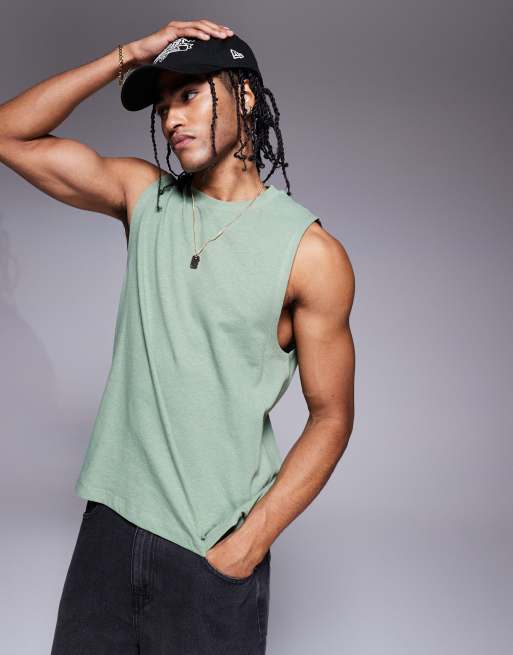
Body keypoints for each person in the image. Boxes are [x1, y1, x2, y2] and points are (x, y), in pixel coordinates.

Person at [0, 18, 355, 655]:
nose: (172, 119)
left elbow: (332, 416)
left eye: (189, 95)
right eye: (162, 106)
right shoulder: (145, 197)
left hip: (211, 546)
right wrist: (129, 53)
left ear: (245, 96)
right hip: (109, 531)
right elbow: (8, 133)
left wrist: (247, 545)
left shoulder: (311, 254)